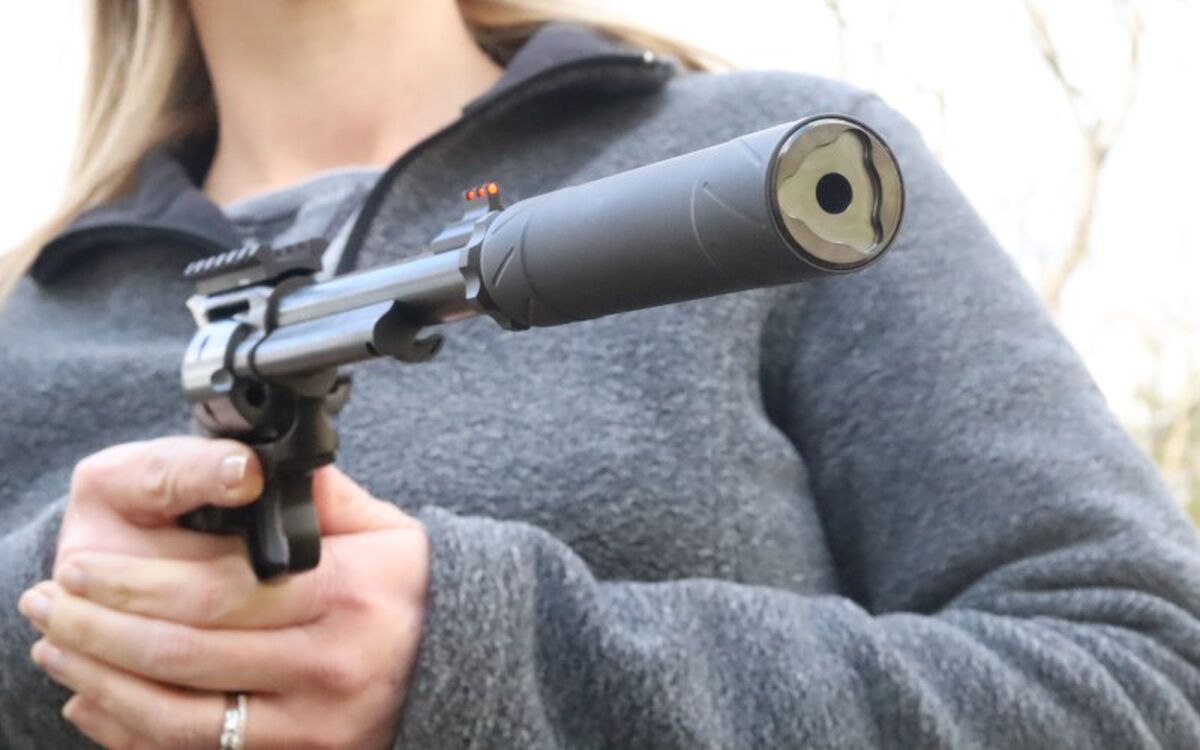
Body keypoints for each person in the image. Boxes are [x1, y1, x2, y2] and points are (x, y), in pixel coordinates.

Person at [2, 1, 1199, 748]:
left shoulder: (770, 164)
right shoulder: (25, 313)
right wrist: (52, 624)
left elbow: (1150, 678)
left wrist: (502, 660)